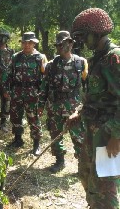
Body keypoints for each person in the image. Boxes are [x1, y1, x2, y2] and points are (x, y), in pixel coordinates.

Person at [69, 8, 120, 208]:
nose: (81, 42)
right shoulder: (96, 59)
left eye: (83, 36)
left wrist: (116, 135)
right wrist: (78, 112)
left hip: (108, 135)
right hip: (92, 131)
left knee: (106, 188)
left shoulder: (113, 58)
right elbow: (94, 97)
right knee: (86, 174)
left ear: (96, 33)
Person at [38, 31, 88, 173]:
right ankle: (59, 161)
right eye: (58, 45)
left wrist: (86, 106)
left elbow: (88, 87)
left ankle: (82, 165)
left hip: (74, 108)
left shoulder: (81, 63)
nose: (60, 47)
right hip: (55, 106)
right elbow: (44, 87)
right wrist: (40, 105)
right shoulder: (51, 65)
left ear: (71, 43)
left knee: (79, 137)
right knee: (55, 134)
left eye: (63, 44)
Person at [2, 32, 47, 156]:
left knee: (33, 118)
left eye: (30, 43)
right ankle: (18, 139)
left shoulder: (40, 58)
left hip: (33, 93)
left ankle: (36, 144)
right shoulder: (16, 57)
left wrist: (42, 95)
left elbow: (45, 78)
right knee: (15, 116)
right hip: (17, 92)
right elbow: (8, 74)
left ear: (34, 44)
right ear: (21, 43)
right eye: (24, 42)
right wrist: (6, 89)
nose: (27, 45)